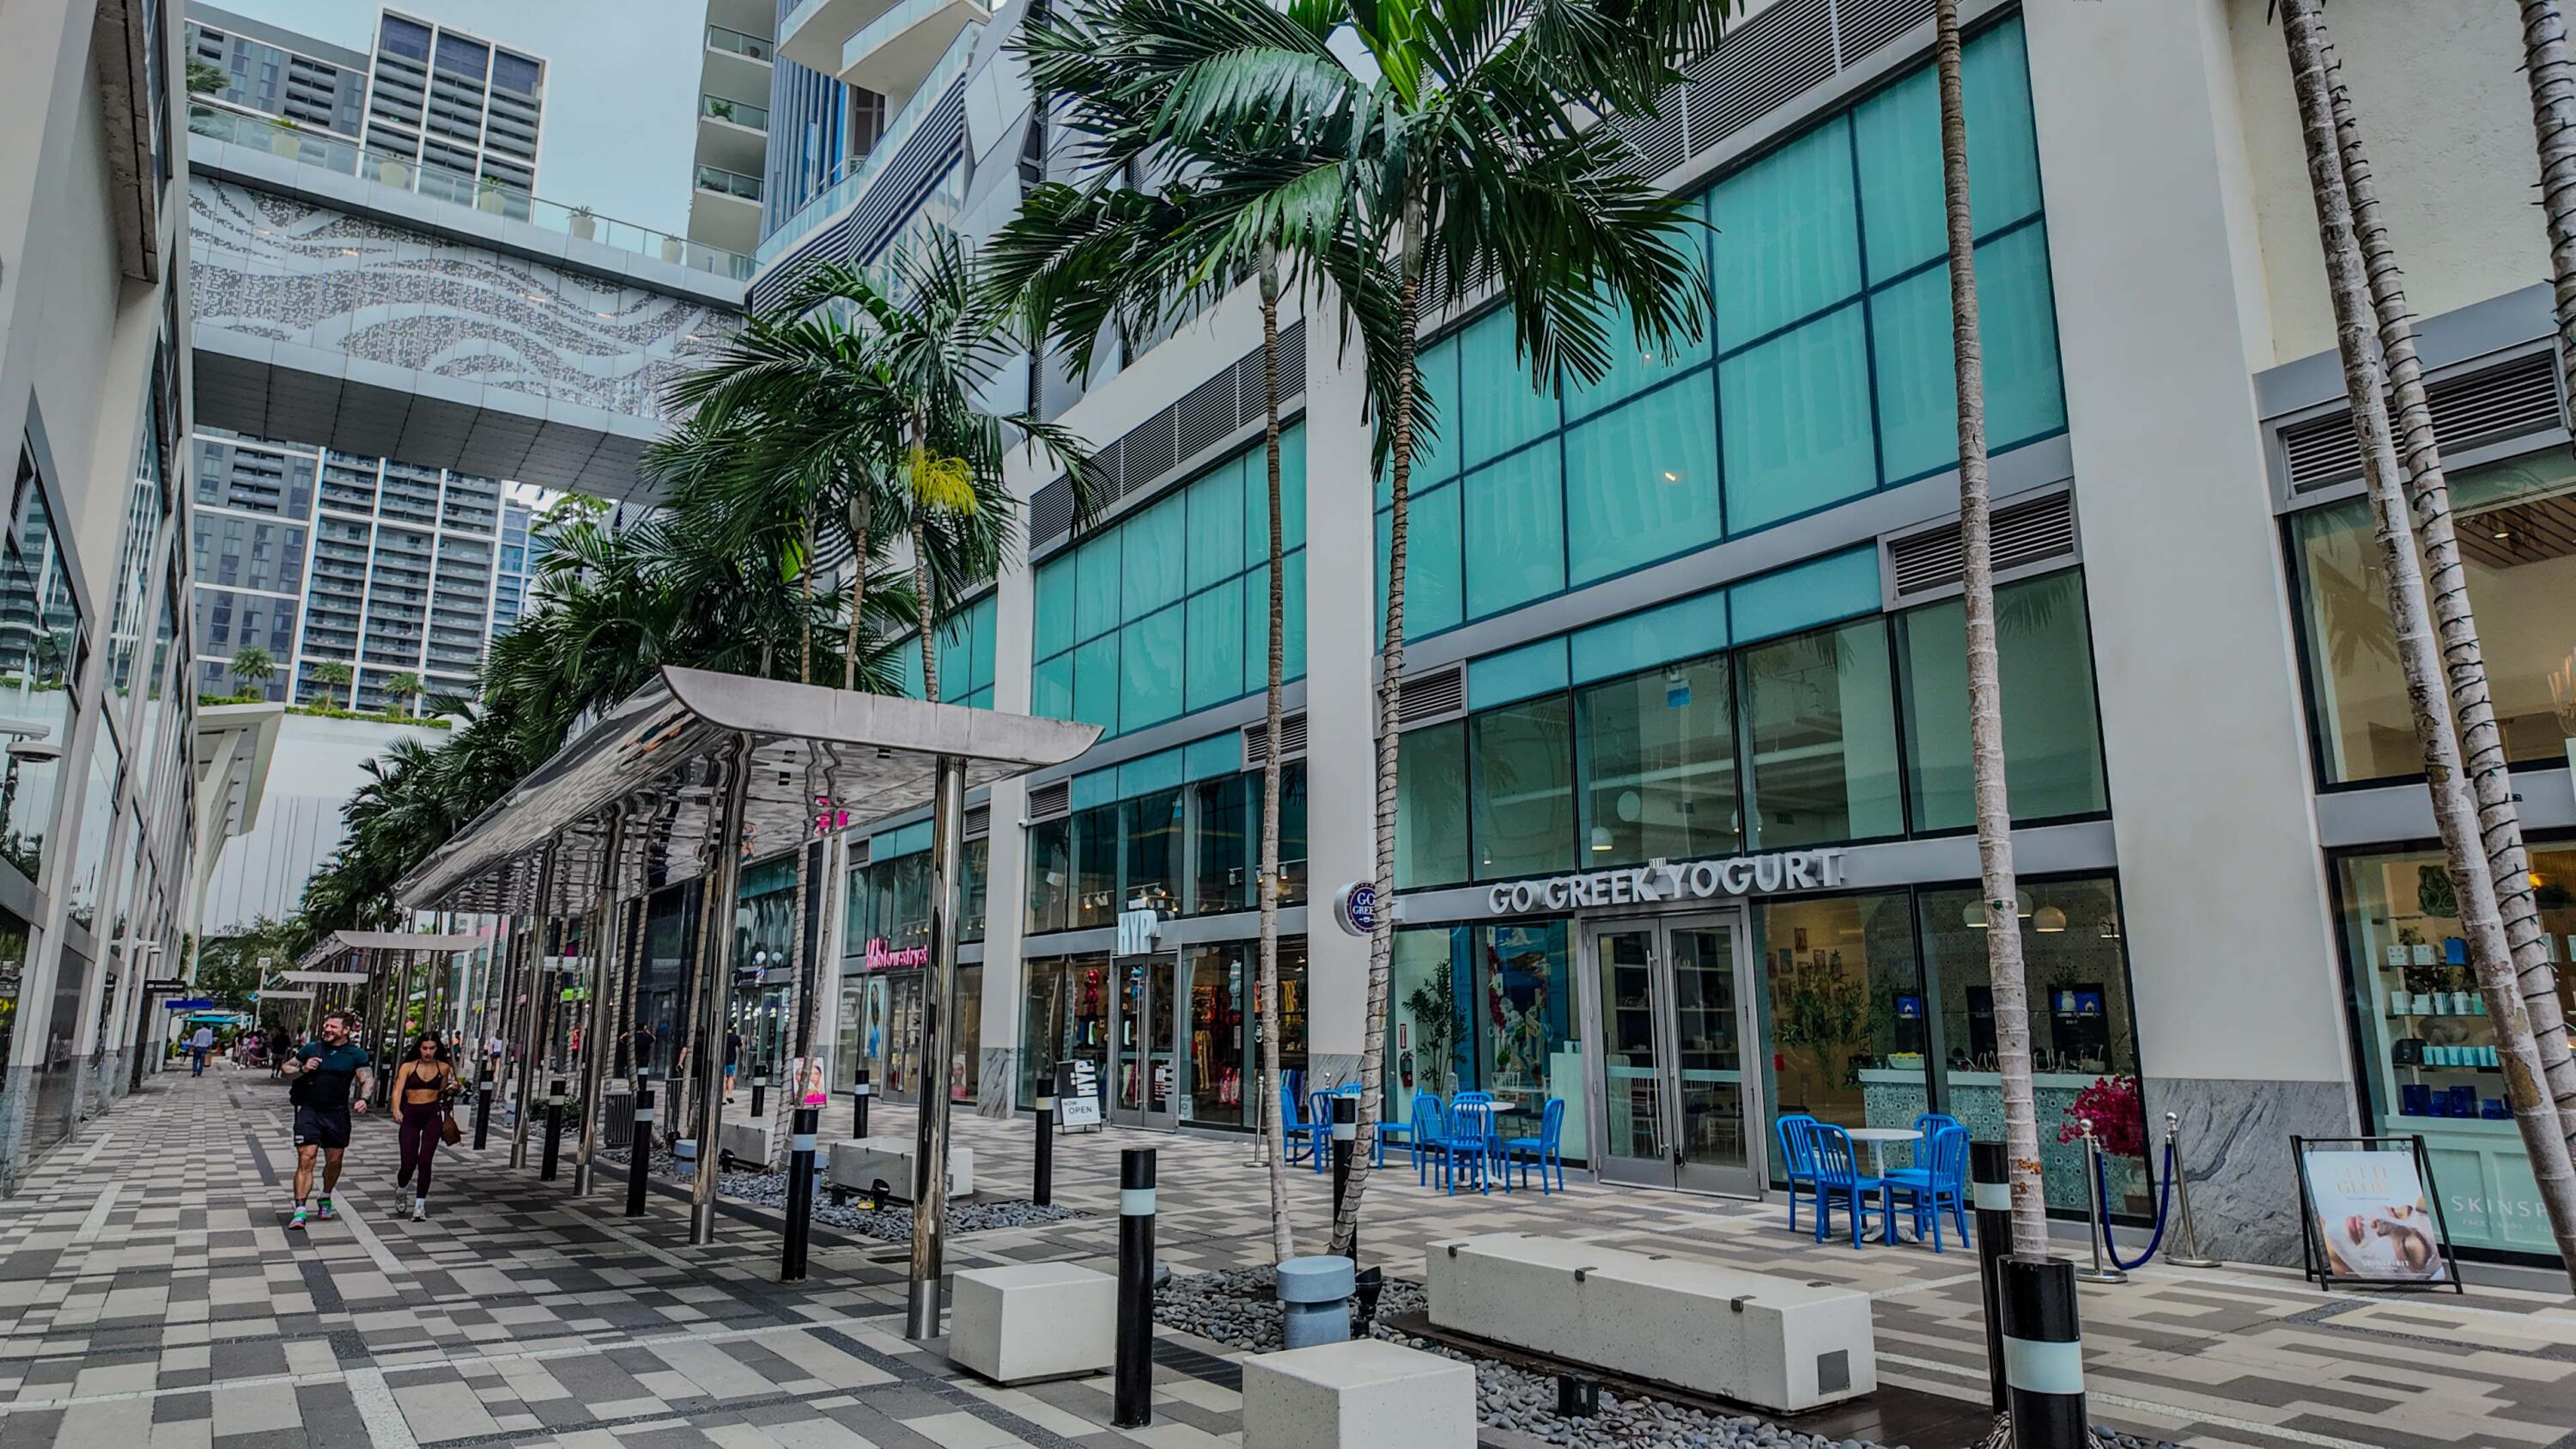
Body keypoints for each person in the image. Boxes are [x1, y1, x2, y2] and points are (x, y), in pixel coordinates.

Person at [281, 1009, 372, 1230]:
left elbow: (366, 1078)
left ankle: (325, 1196)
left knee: (334, 1162)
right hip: (310, 1111)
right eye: (326, 1026)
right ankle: (300, 1210)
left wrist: (364, 1098)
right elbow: (286, 1069)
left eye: (333, 1027)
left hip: (337, 1113)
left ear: (346, 1030)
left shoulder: (355, 1054)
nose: (327, 1029)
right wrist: (302, 1068)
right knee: (306, 1158)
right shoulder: (312, 1048)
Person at [389, 1033, 457, 1221]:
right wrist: (396, 1109)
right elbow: (397, 1090)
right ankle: (402, 1188)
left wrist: (451, 1089)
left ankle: (420, 1205)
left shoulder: (443, 1067)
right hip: (411, 1114)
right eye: (424, 1048)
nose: (428, 1052)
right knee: (408, 1162)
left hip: (432, 1114)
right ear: (419, 1048)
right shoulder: (408, 1067)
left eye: (432, 1048)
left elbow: (443, 1092)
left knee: (425, 1160)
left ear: (437, 1049)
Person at [723, 1028, 741, 1104]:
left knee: (723, 1078)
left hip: (723, 1059)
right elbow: (741, 1046)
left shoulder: (723, 1036)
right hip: (731, 1059)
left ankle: (723, 1097)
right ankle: (729, 1095)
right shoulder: (735, 1037)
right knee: (730, 1077)